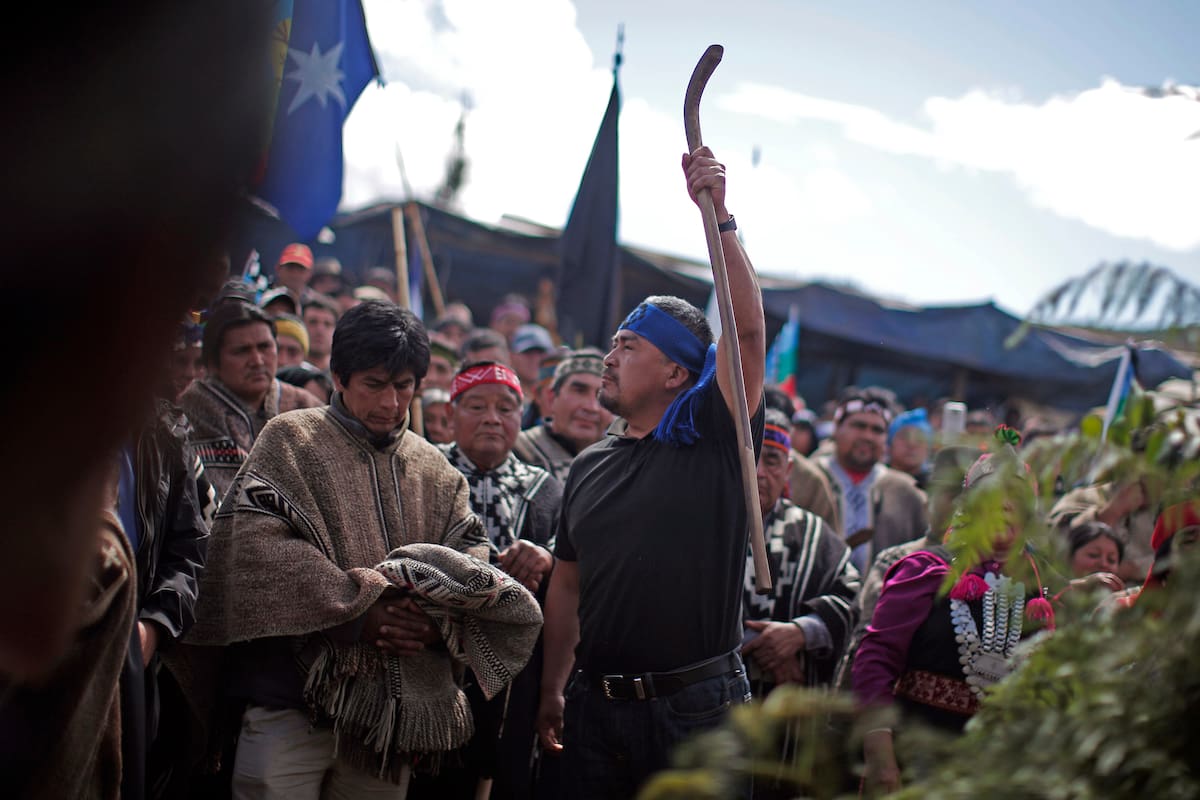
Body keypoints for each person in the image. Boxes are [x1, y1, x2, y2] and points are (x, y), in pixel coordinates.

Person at [183, 301, 504, 796]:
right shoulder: (290, 439)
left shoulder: (437, 472)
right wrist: (359, 612)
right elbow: (256, 549)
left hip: (387, 721)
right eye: (374, 384)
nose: (391, 404)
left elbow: (471, 560)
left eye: (404, 387)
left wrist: (430, 622)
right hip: (289, 698)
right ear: (338, 376)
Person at [537, 145, 766, 798]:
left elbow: (746, 338)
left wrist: (720, 215)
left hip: (698, 713)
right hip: (593, 709)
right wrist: (554, 687)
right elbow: (568, 590)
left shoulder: (717, 440)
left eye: (628, 346)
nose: (608, 358)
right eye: (611, 344)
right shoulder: (588, 469)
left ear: (675, 371)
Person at [853, 432, 1049, 794]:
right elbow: (874, 662)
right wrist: (881, 759)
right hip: (915, 763)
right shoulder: (925, 571)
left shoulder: (1041, 589)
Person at [432, 361, 563, 799]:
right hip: (432, 660)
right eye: (476, 405)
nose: (493, 417)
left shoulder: (545, 488)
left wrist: (547, 554)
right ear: (450, 415)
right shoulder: (424, 470)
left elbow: (575, 562)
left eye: (506, 408)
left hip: (517, 677)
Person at [742, 410, 859, 692]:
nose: (758, 471)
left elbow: (852, 599)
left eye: (771, 460)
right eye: (750, 456)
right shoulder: (705, 525)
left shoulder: (815, 535)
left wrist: (802, 632)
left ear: (789, 470)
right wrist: (760, 646)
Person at [181, 302, 321, 500]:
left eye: (265, 347)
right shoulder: (191, 409)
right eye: (241, 351)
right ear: (213, 362)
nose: (257, 360)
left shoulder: (306, 406)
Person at [814, 387, 928, 574]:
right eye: (858, 426)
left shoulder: (907, 492)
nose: (867, 436)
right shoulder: (809, 478)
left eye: (877, 430)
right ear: (836, 428)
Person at [514, 349, 609, 484]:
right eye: (579, 391)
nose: (591, 407)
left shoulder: (620, 462)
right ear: (552, 398)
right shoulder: (520, 450)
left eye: (602, 395)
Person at [887, 408, 933, 489]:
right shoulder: (875, 480)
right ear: (890, 444)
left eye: (919, 438)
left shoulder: (936, 488)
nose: (912, 444)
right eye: (904, 436)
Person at [510, 323, 555, 400]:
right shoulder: (506, 396)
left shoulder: (559, 396)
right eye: (528, 352)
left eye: (541, 352)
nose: (536, 359)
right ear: (512, 356)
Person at [301, 294, 339, 372]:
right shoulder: (289, 371)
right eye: (313, 322)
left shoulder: (343, 374)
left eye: (327, 324)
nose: (320, 330)